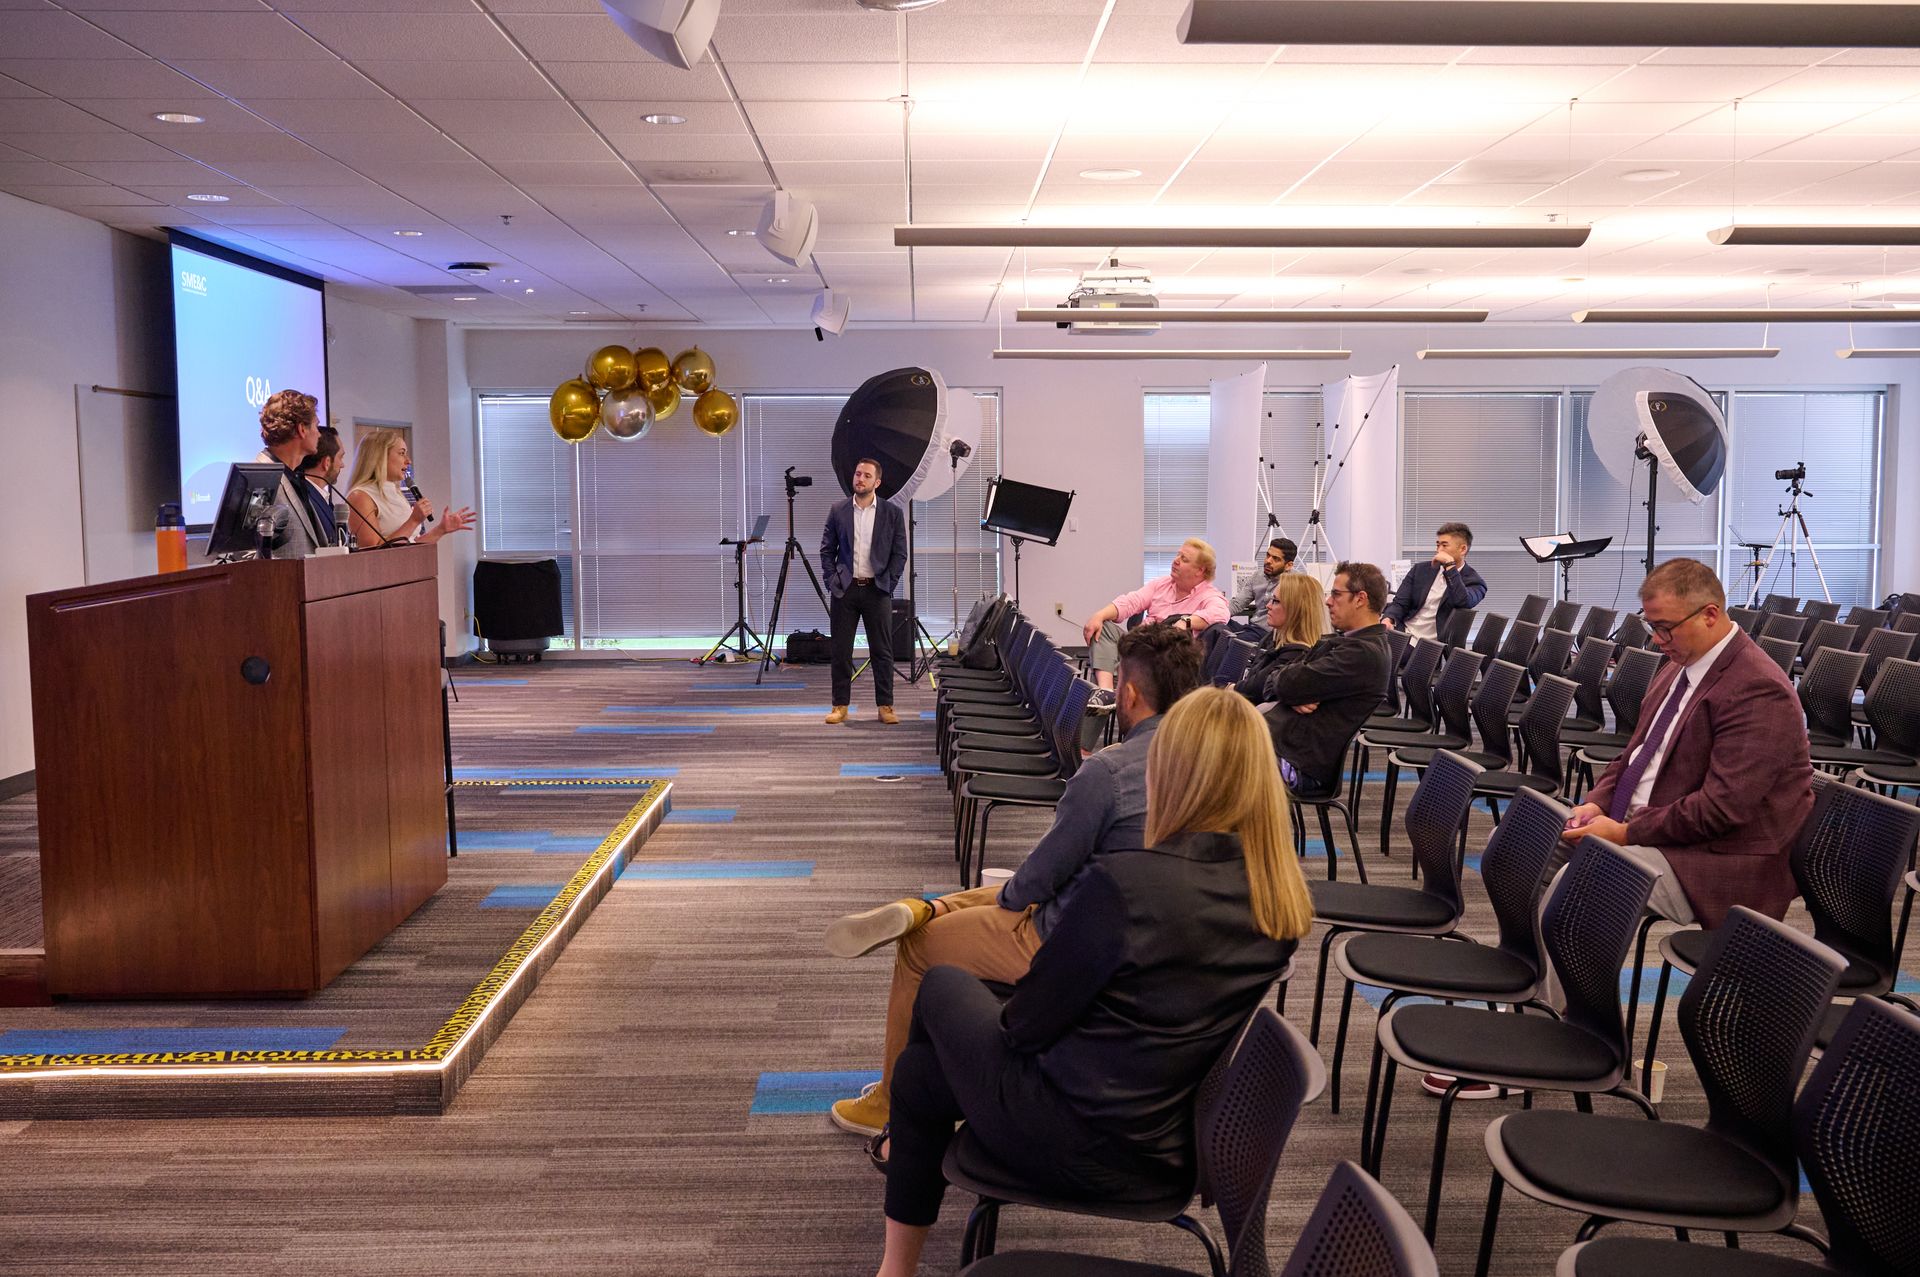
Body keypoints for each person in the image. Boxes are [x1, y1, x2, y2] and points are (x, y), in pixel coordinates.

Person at [868, 687, 1311, 1277]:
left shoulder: (1127, 883)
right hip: (1171, 1137)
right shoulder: (1281, 903)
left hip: (1078, 1135)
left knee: (942, 984)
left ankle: (898, 1219)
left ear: (1173, 768)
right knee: (922, 1077)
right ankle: (897, 1242)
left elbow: (1025, 1027)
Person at [821, 623, 1202, 1137]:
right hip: (1169, 943)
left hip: (1076, 947)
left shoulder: (1111, 772)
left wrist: (1015, 900)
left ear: (1128, 694)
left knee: (925, 944)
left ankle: (891, 1101)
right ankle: (929, 906)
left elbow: (1043, 877)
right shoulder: (1218, 765)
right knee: (1006, 893)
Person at [1561, 557, 1813, 928]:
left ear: (1710, 614)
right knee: (1522, 845)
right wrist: (1597, 804)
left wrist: (1627, 832)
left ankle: (1564, 985)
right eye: (1651, 626)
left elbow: (1720, 810)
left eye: (1666, 628)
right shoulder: (1679, 666)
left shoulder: (1757, 688)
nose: (1657, 640)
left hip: (1714, 860)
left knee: (1581, 885)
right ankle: (1532, 979)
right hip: (1653, 827)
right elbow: (1634, 757)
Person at [1261, 561, 1394, 797]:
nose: (1328, 601)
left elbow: (1287, 681)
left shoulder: (1362, 653)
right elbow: (1273, 682)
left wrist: (1289, 688)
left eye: (1336, 594)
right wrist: (1290, 692)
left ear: (1360, 599)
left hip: (1297, 764)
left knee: (1206, 760)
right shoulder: (1344, 641)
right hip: (1281, 744)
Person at [820, 458, 909, 725]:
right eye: (858, 473)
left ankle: (885, 706)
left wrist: (889, 583)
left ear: (876, 482)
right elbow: (827, 550)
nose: (859, 478)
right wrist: (832, 580)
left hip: (877, 590)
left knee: (882, 651)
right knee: (841, 650)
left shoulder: (892, 513)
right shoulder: (838, 510)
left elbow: (899, 554)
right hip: (845, 590)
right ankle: (840, 705)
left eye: (866, 475)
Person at [1082, 539, 1230, 689]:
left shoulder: (1210, 595)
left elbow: (1221, 613)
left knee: (1125, 660)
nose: (1176, 561)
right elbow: (1131, 601)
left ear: (1200, 570)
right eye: (1178, 555)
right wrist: (1099, 615)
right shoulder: (1162, 584)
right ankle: (1105, 692)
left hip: (1165, 660)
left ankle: (1120, 676)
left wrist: (1186, 621)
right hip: (1140, 644)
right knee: (1104, 627)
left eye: (1184, 559)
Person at [345, 428, 475, 548]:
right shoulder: (361, 496)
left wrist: (441, 529)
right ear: (380, 457)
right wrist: (413, 521)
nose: (408, 461)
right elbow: (372, 552)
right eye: (402, 453)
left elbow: (409, 545)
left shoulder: (396, 493)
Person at [254, 389, 333, 557]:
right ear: (302, 429)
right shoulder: (260, 479)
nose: (319, 434)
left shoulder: (294, 477)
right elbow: (249, 552)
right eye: (316, 426)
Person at [1382, 522, 1487, 642]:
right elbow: (1400, 603)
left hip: (1431, 645)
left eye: (1444, 545)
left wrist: (1450, 567)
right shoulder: (1420, 570)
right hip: (1404, 632)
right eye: (1438, 545)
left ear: (1462, 549)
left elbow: (1463, 601)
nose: (1439, 550)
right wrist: (1388, 619)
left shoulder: (1475, 582)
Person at [1234, 572, 1327, 704]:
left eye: (1276, 601)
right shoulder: (1273, 640)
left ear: (1296, 609)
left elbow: (1251, 690)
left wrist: (1230, 689)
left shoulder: (1295, 656)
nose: (1268, 606)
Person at [1229, 537, 1297, 632]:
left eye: (1275, 559)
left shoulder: (1297, 582)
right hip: (1252, 627)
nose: (1268, 561)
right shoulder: (1258, 575)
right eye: (1268, 555)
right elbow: (1237, 603)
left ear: (1288, 565)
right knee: (1214, 625)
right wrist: (1212, 616)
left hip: (1271, 634)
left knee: (1230, 640)